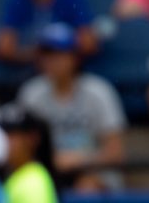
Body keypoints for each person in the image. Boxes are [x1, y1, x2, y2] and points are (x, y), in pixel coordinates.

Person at [16, 23, 126, 191]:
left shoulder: (99, 92)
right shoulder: (32, 93)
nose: (50, 61)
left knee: (87, 186)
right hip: (46, 172)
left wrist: (78, 160)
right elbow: (20, 147)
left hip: (92, 170)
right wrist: (52, 162)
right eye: (46, 55)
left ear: (75, 57)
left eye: (58, 54)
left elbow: (115, 152)